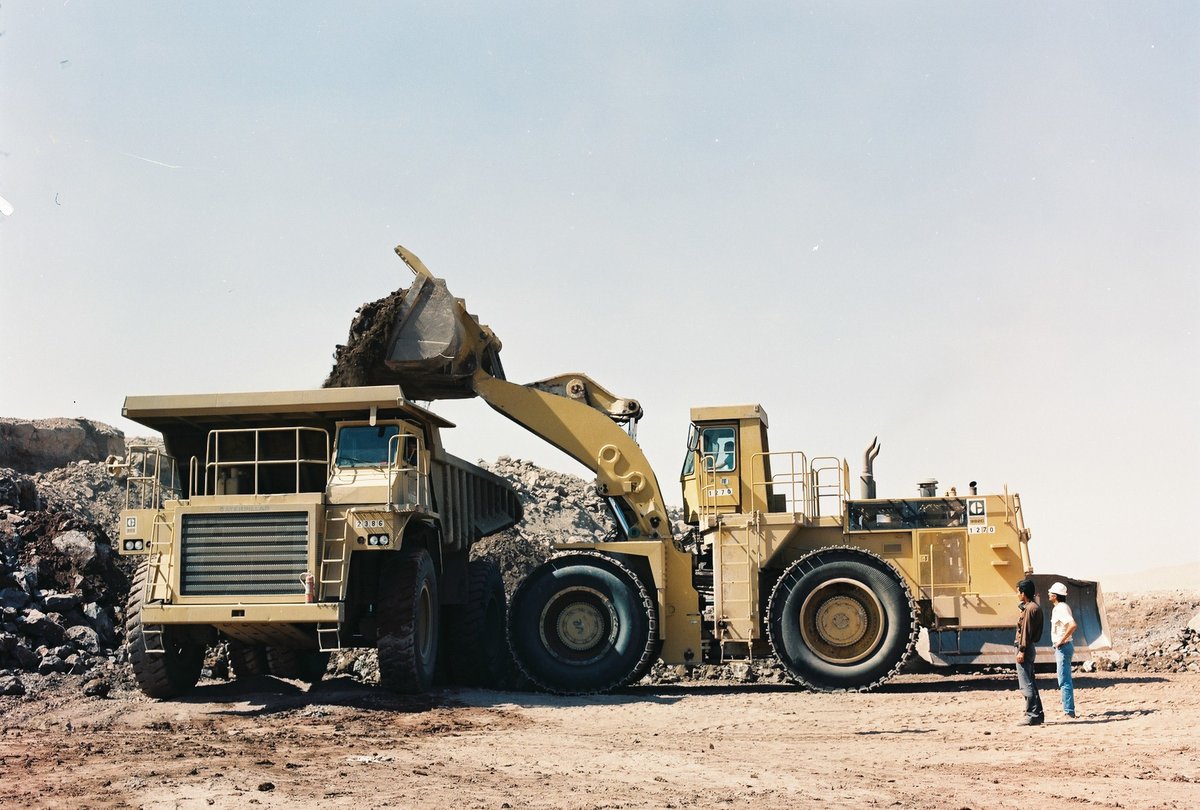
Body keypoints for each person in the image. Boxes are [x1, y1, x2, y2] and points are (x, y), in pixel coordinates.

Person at [1014, 578, 1045, 725]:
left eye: (1018, 591)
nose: (1017, 594)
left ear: (1023, 592)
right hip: (1028, 647)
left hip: (1025, 648)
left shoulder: (1030, 609)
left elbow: (1025, 632)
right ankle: (1037, 713)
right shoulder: (1032, 607)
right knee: (1030, 681)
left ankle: (1032, 714)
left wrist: (1021, 651)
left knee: (1026, 683)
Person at [1049, 581, 1078, 718]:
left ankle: (1069, 711)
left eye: (1050, 593)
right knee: (1065, 679)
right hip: (1064, 646)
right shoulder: (1063, 607)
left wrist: (1062, 640)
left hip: (1063, 647)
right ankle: (1068, 709)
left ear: (1055, 596)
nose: (1048, 594)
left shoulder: (1060, 608)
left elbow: (1072, 625)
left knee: (1064, 680)